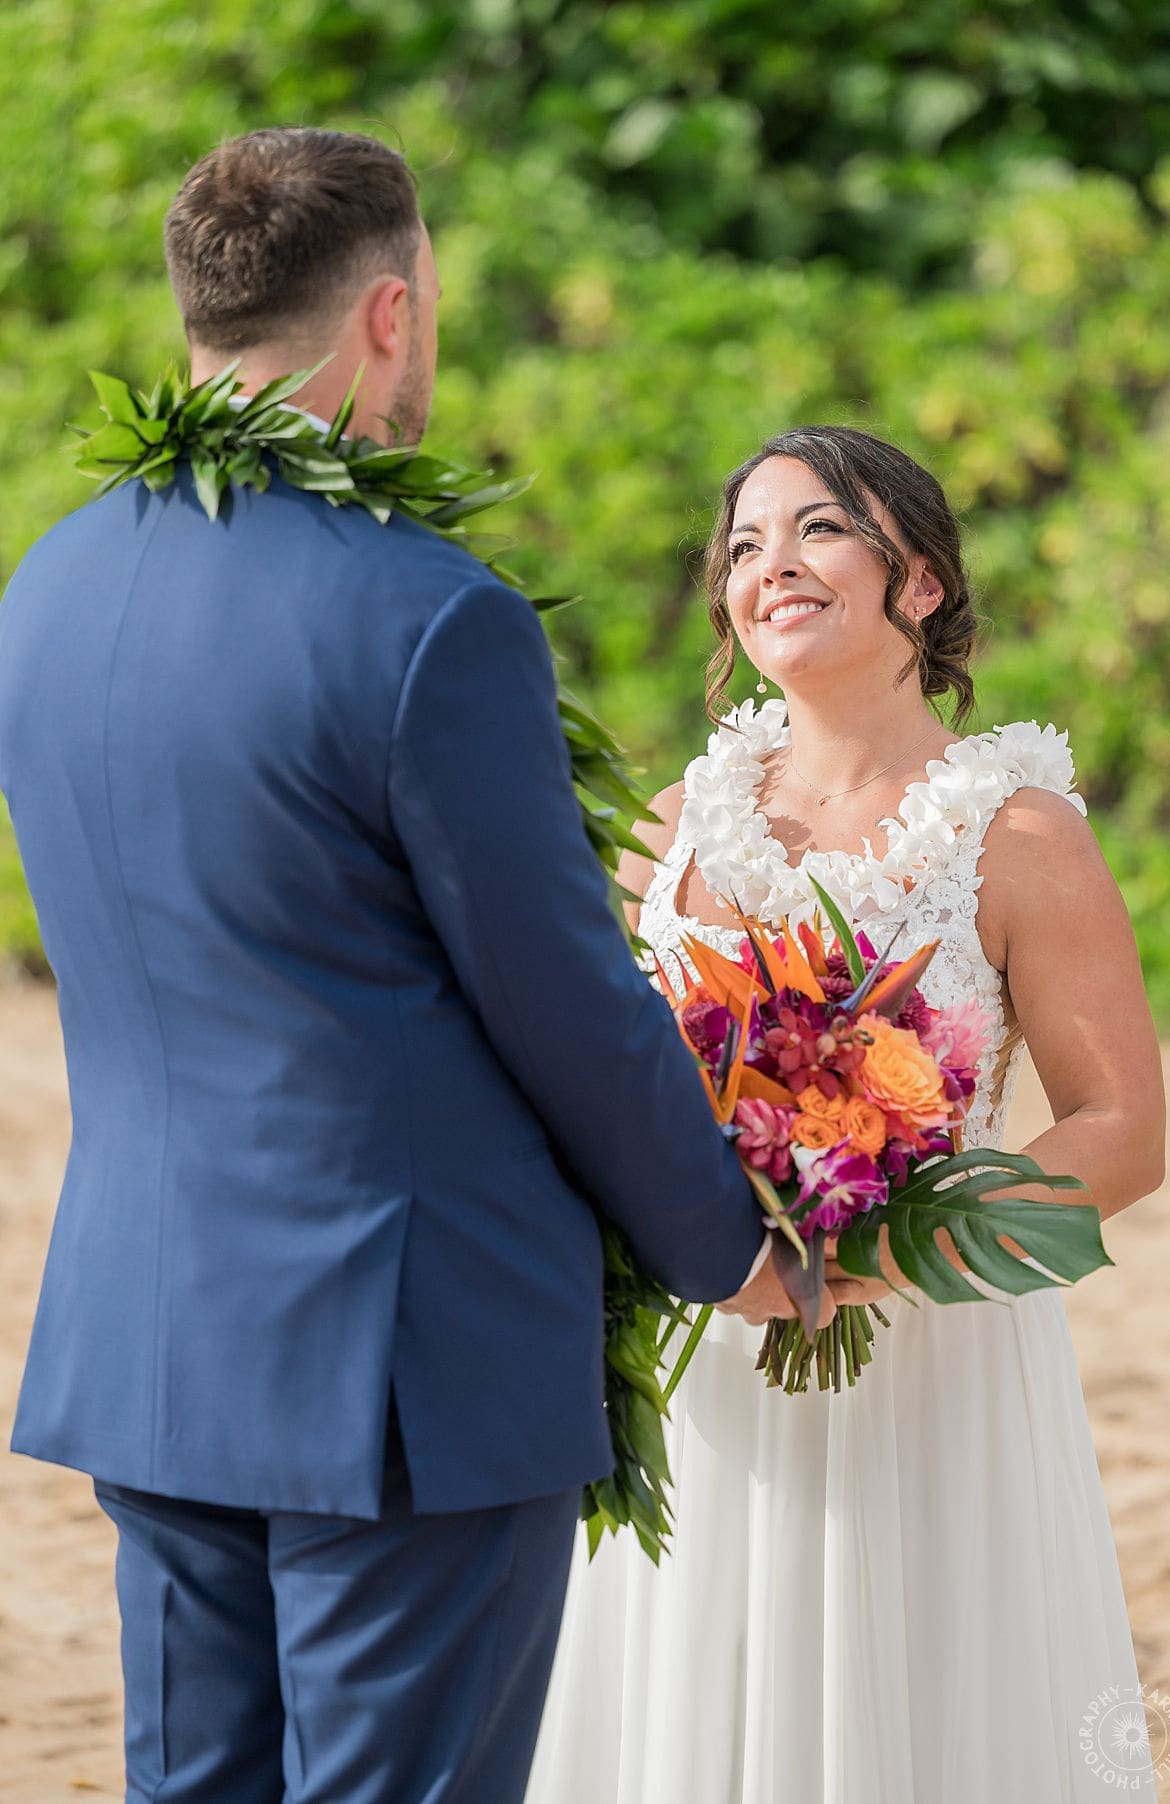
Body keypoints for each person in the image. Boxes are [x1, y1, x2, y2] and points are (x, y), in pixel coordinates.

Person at [0, 129, 830, 1804]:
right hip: (401, 1365)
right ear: (389, 311)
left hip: (150, 1340)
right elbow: (565, 997)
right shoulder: (428, 611)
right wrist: (724, 1243)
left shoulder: (47, 585)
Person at [526, 426, 1167, 1804]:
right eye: (744, 545)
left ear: (919, 583)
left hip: (934, 1364)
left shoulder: (1020, 832)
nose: (772, 567)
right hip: (715, 1357)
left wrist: (873, 1259)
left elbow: (1121, 1127)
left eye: (817, 528)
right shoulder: (675, 824)